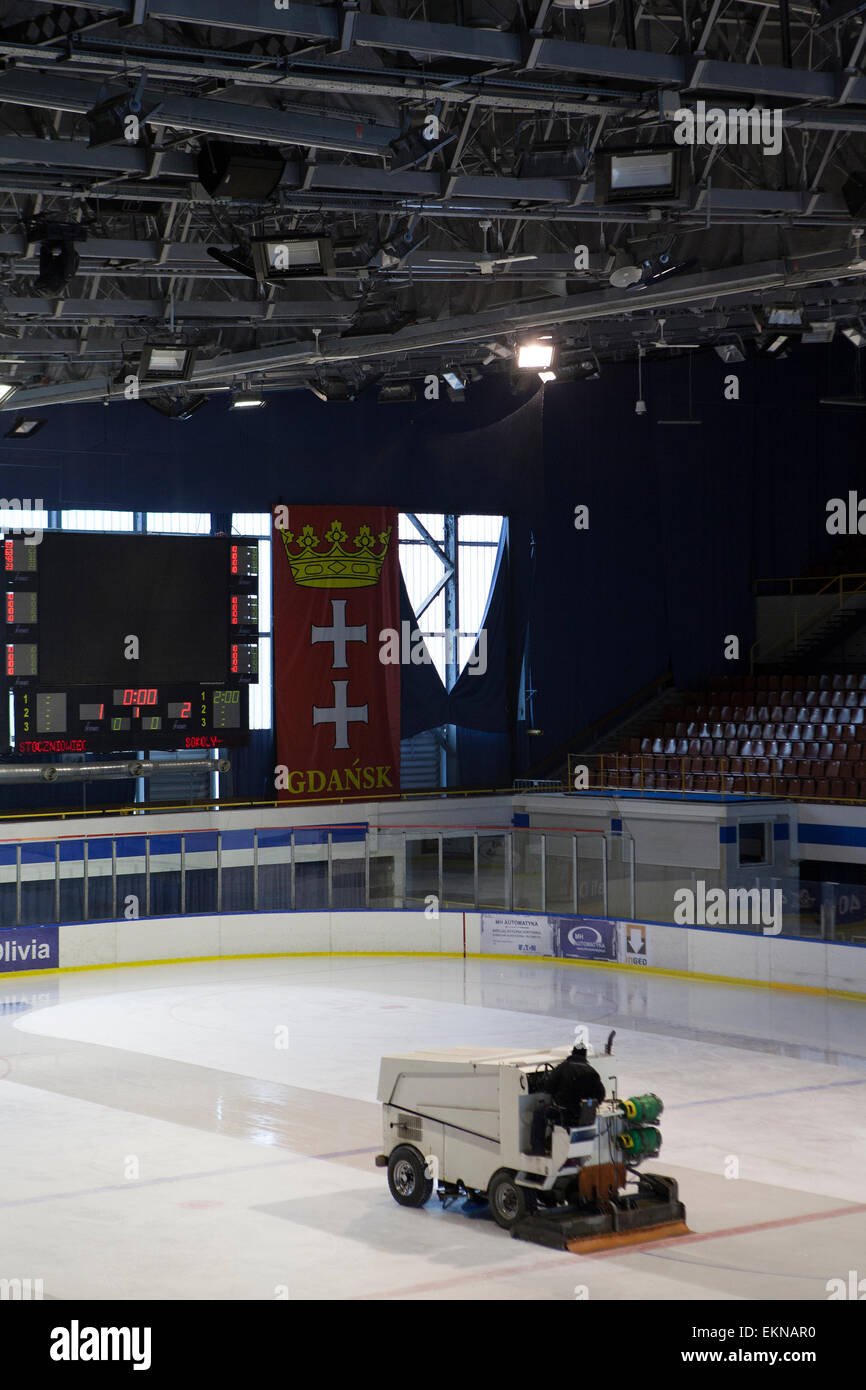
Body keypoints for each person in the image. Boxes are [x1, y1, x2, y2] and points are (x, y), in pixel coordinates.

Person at [528, 1046, 606, 1155]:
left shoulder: (563, 1068)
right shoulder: (592, 1072)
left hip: (563, 1112)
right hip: (583, 1115)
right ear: (585, 1055)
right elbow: (601, 1095)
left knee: (539, 1113)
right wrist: (588, 1104)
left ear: (573, 1053)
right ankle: (551, 1142)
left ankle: (538, 1149)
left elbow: (548, 1087)